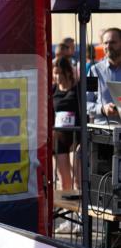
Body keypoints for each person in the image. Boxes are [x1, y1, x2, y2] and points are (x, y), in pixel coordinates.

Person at [52, 56, 80, 192]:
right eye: (55, 73)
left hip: (75, 137)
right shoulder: (52, 90)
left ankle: (81, 212)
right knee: (64, 183)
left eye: (59, 73)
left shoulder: (77, 89)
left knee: (78, 180)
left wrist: (80, 138)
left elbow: (83, 113)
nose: (57, 77)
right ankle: (68, 211)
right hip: (59, 138)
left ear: (68, 73)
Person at [88, 27, 121, 120]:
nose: (108, 46)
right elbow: (85, 102)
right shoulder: (94, 70)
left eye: (113, 42)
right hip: (103, 130)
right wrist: (102, 109)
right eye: (105, 43)